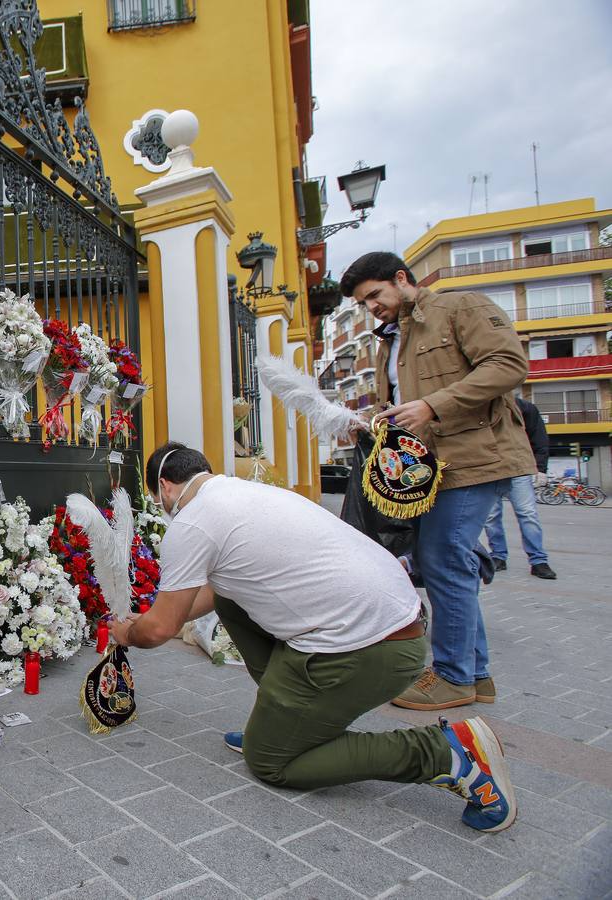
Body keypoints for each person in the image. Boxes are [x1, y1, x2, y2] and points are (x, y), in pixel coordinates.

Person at [111, 442, 517, 833]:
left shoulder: (193, 521)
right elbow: (212, 594)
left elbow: (162, 629)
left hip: (370, 649)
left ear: (163, 486)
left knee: (271, 762)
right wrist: (153, 616)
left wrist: (128, 631)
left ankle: (447, 752)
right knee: (232, 597)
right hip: (394, 622)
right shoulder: (242, 492)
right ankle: (282, 718)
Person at [341, 252, 533, 712]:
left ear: (401, 279)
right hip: (427, 470)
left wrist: (433, 406)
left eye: (375, 296)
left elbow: (509, 364)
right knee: (450, 564)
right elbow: (405, 404)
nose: (372, 308)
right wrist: (369, 421)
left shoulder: (459, 308)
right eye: (364, 303)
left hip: (472, 458)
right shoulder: (393, 339)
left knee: (444, 560)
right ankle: (476, 674)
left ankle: (452, 676)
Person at [483, 394, 556, 579]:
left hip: (519, 469)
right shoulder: (479, 406)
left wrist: (540, 469)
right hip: (489, 470)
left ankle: (538, 560)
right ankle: (498, 556)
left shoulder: (525, 408)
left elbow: (539, 438)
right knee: (491, 517)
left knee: (528, 514)